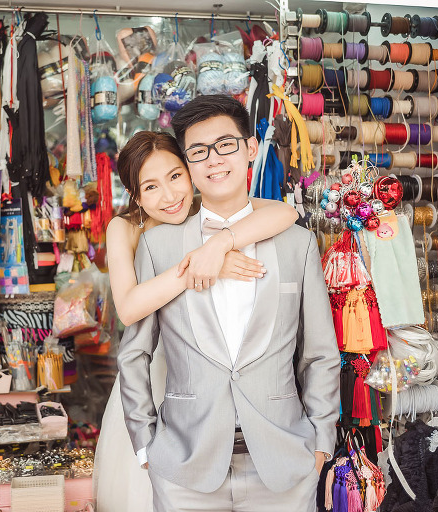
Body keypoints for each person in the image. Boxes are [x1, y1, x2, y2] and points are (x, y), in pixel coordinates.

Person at [117, 95, 341, 511]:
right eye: (198, 152)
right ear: (187, 164)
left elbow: (320, 353)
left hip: (285, 463)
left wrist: (321, 440)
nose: (214, 160)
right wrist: (145, 444)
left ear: (251, 148)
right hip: (184, 467)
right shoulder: (156, 246)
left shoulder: (297, 242)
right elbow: (134, 353)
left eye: (225, 145)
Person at [94, 130, 301, 511]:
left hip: (214, 376)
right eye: (151, 187)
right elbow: (129, 307)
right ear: (136, 196)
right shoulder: (125, 228)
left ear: (190, 171)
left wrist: (219, 244)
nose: (169, 196)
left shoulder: (204, 208)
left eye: (175, 176)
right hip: (158, 373)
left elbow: (286, 213)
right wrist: (204, 264)